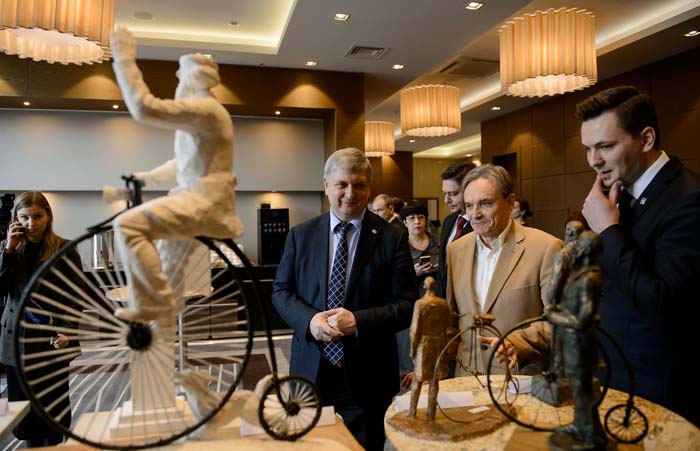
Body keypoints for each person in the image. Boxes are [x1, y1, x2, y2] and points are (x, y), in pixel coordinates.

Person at [272, 148, 418, 450]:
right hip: (311, 369)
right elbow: (281, 291)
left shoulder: (392, 237)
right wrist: (310, 321)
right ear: (327, 185)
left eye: (359, 185)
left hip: (369, 372)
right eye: (342, 184)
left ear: (369, 187)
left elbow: (406, 306)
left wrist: (358, 321)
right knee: (309, 445)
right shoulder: (301, 236)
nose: (350, 193)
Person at [578, 86, 700, 425]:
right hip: (609, 378)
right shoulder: (615, 195)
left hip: (658, 392)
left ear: (646, 139)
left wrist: (608, 230)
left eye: (605, 146)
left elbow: (663, 303)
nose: (593, 160)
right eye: (588, 148)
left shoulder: (689, 199)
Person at [109, 28, 243, 324]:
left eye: (181, 75)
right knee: (168, 255)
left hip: (202, 202)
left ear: (193, 77)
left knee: (126, 225)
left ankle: (154, 304)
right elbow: (182, 163)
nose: (178, 81)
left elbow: (143, 108)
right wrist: (147, 177)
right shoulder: (205, 112)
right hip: (195, 198)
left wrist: (124, 59)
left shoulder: (205, 110)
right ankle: (163, 319)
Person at [446, 164, 562, 376]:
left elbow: (560, 321)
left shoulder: (546, 248)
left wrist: (516, 342)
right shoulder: (455, 250)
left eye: (485, 203)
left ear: (510, 202)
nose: (475, 214)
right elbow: (452, 322)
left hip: (519, 378)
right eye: (469, 206)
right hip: (466, 379)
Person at [0, 192, 82, 447]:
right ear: (15, 219)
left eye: (37, 216)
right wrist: (9, 251)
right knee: (22, 410)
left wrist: (69, 331)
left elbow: (76, 296)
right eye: (24, 217)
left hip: (51, 336)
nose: (31, 223)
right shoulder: (7, 250)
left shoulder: (65, 248)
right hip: (16, 337)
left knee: (53, 408)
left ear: (48, 217)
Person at [546, 231, 608, 449]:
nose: (576, 246)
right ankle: (580, 426)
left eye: (580, 243)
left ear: (586, 250)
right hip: (572, 342)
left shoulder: (590, 279)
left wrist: (554, 316)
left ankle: (591, 436)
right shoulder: (581, 274)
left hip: (580, 345)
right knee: (577, 389)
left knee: (583, 392)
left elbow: (583, 318)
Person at [395, 202, 439, 380]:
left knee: (435, 351)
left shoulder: (439, 242)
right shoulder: (399, 245)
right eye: (412, 218)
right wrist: (413, 272)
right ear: (405, 222)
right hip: (410, 305)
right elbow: (392, 278)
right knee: (410, 351)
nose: (417, 222)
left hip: (435, 303)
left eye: (421, 217)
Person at [408, 278, 451, 421]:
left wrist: (412, 350)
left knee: (417, 380)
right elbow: (448, 325)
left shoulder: (420, 304)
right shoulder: (443, 304)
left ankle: (412, 412)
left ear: (425, 286)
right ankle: (431, 414)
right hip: (439, 344)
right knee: (434, 381)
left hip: (424, 345)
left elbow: (415, 330)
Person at [436, 161, 475, 297]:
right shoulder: (448, 221)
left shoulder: (481, 226)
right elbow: (442, 271)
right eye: (445, 194)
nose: (446, 200)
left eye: (453, 194)